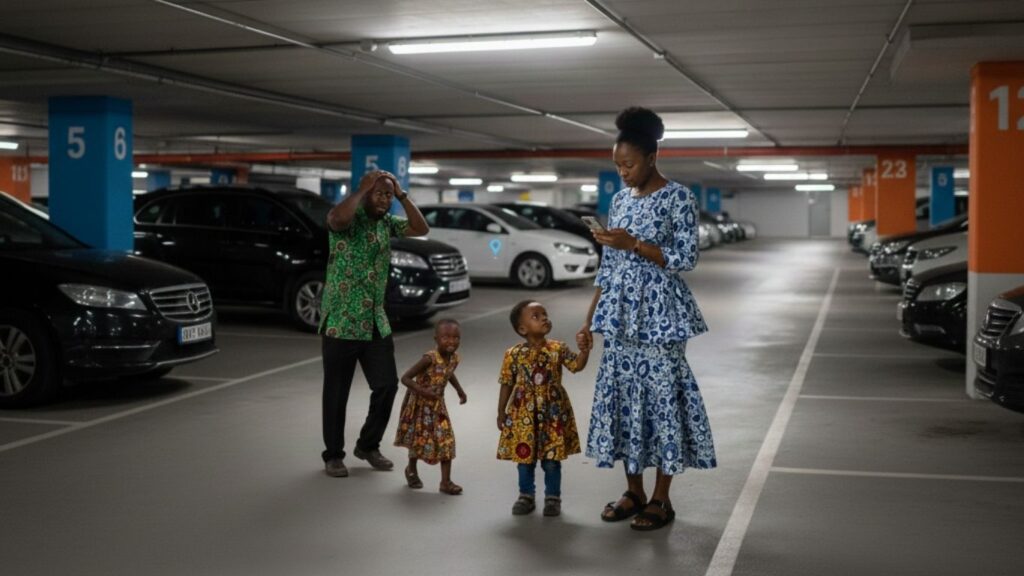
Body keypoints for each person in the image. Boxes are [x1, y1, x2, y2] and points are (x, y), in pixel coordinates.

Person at [578, 107, 717, 531]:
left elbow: (685, 258)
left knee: (661, 400)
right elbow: (608, 267)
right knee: (625, 401)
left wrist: (635, 243)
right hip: (619, 316)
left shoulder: (679, 197)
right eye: (617, 165)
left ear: (652, 158)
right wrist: (589, 320)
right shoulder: (620, 201)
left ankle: (661, 499)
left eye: (629, 164)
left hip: (661, 317)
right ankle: (634, 491)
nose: (622, 173)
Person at [320, 170, 429, 478]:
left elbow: (421, 228)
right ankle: (333, 455)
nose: (384, 200)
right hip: (341, 320)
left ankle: (368, 445)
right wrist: (361, 190)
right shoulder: (347, 220)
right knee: (336, 392)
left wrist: (402, 195)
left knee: (386, 385)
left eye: (388, 196)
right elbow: (335, 219)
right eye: (379, 194)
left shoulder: (387, 223)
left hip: (374, 321)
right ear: (366, 193)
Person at [497, 300, 591, 517]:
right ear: (522, 329)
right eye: (536, 316)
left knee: (552, 459)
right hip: (523, 414)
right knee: (524, 458)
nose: (544, 318)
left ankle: (553, 497)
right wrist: (501, 412)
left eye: (545, 314)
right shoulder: (513, 354)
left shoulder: (558, 348)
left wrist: (584, 351)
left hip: (552, 414)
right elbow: (506, 383)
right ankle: (526, 496)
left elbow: (576, 365)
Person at [394, 319, 468, 495]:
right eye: (446, 337)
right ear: (436, 339)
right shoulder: (429, 358)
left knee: (447, 440)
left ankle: (445, 482)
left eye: (456, 338)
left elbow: (448, 373)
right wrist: (423, 391)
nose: (451, 341)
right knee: (418, 439)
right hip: (419, 407)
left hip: (438, 407)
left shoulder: (454, 358)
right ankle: (411, 470)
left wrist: (459, 390)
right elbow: (405, 378)